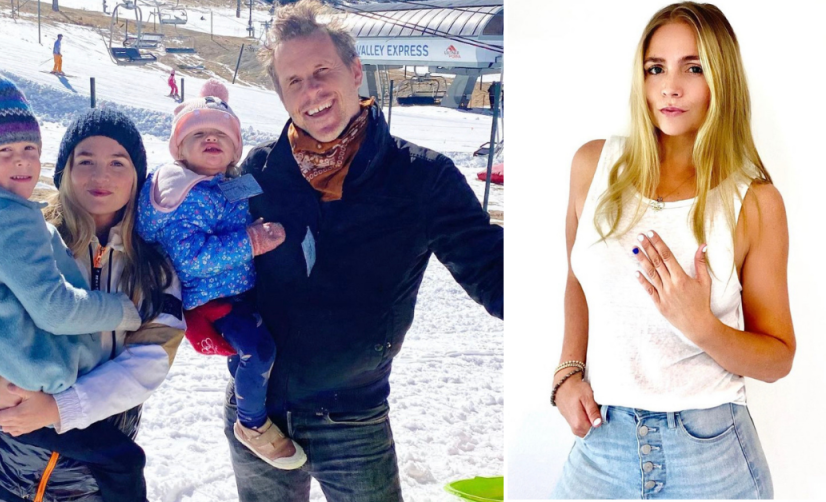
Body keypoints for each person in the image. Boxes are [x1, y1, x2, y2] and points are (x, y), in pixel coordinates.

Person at [223, 1, 504, 500]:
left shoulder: (422, 178)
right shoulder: (261, 169)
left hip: (352, 420)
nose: (311, 92)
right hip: (255, 411)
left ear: (355, 71)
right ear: (281, 94)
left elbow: (495, 272)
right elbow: (206, 237)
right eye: (294, 81)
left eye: (322, 71)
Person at [551, 3, 794, 499]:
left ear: (720, 79)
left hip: (710, 455)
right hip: (602, 441)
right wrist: (567, 372)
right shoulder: (592, 166)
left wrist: (702, 326)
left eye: (694, 67)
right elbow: (578, 277)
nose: (670, 87)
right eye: (655, 68)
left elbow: (778, 359)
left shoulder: (754, 201)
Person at [0, 49, 184, 502]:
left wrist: (59, 408)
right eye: (85, 160)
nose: (100, 174)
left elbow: (149, 363)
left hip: (89, 475)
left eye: (118, 162)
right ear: (63, 170)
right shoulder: (20, 237)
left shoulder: (154, 269)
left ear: (138, 176)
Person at [136, 79, 307, 469]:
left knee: (256, 350)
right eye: (198, 133)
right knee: (259, 350)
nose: (211, 139)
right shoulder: (188, 194)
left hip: (233, 289)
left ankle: (248, 391)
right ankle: (252, 424)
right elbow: (191, 259)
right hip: (210, 298)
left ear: (235, 148)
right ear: (179, 147)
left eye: (221, 134)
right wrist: (252, 241)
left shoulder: (218, 183)